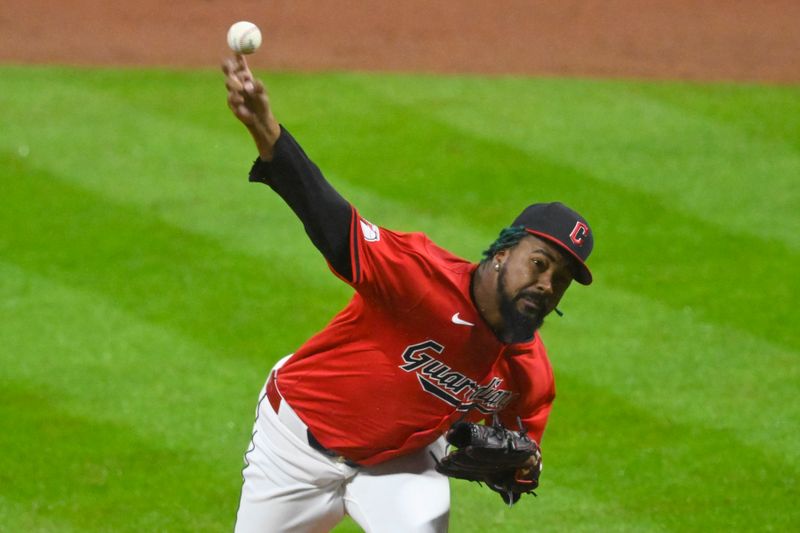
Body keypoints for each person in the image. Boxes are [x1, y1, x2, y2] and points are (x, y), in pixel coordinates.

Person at [223, 54, 594, 533]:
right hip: (295, 445)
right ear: (503, 252)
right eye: (539, 264)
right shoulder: (419, 277)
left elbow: (524, 451)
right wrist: (265, 127)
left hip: (400, 463)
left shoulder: (528, 370)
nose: (546, 285)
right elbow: (332, 223)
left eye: (560, 280)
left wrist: (521, 470)